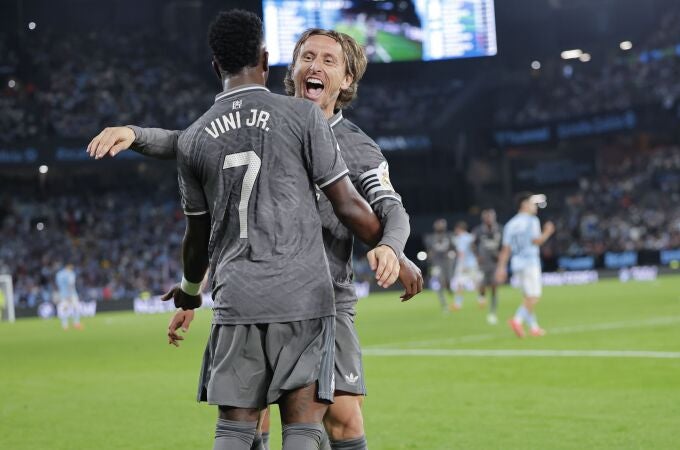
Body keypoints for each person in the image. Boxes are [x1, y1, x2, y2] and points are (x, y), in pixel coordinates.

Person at [88, 26, 423, 450]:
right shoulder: (271, 122)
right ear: (289, 68)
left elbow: (389, 208)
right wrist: (136, 134)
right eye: (306, 57)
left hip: (328, 298)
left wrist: (394, 247)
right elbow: (191, 143)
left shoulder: (360, 148)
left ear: (347, 80)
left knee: (343, 416)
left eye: (328, 60)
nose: (314, 66)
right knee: (260, 421)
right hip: (265, 290)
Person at [496, 192, 555, 338]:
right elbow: (536, 241)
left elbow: (505, 249)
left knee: (527, 297)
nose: (535, 207)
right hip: (530, 262)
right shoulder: (531, 220)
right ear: (524, 205)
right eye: (532, 203)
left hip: (516, 263)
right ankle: (517, 320)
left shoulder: (510, 224)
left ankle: (534, 327)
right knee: (534, 296)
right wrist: (548, 232)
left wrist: (501, 268)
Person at [472, 209, 503, 325]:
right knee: (482, 284)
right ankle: (481, 297)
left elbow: (505, 244)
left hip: (495, 263)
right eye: (487, 217)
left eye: (491, 217)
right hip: (483, 262)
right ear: (483, 218)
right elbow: (473, 245)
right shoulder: (478, 230)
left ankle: (493, 311)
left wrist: (501, 254)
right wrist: (477, 256)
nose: (489, 219)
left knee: (494, 286)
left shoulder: (500, 229)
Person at [423, 219, 456, 313]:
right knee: (439, 282)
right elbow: (429, 251)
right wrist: (429, 256)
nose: (440, 227)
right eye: (438, 225)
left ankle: (449, 289)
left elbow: (454, 248)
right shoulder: (430, 238)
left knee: (448, 280)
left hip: (448, 262)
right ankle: (444, 304)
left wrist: (451, 254)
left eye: (442, 225)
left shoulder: (449, 236)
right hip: (436, 263)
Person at [451, 221, 480, 311]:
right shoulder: (470, 237)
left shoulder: (461, 238)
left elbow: (461, 252)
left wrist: (461, 265)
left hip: (464, 264)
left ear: (459, 229)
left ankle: (458, 304)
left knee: (459, 284)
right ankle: (481, 299)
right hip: (473, 263)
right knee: (477, 283)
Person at [55, 263, 82, 330]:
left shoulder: (59, 274)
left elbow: (58, 285)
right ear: (68, 266)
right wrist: (69, 295)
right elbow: (71, 285)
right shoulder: (70, 274)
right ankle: (76, 323)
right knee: (76, 308)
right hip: (71, 294)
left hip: (62, 294)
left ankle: (65, 325)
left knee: (64, 309)